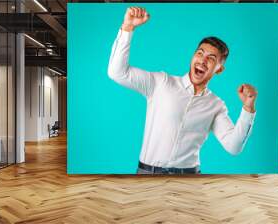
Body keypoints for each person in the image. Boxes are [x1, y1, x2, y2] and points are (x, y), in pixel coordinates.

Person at [108, 7, 258, 174]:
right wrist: (128, 27)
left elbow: (233, 146)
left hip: (189, 178)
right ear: (193, 56)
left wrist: (248, 108)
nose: (202, 60)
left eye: (211, 58)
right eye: (200, 53)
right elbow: (117, 72)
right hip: (148, 174)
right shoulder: (161, 82)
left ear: (219, 69)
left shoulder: (215, 105)